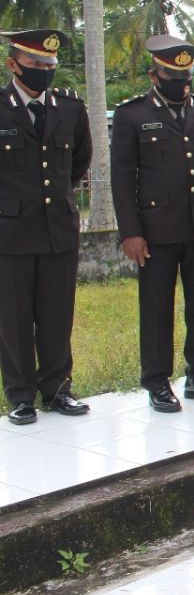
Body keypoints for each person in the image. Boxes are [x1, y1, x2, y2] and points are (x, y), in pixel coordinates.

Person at [110, 34, 194, 413]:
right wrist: (130, 232)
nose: (181, 83)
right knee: (156, 307)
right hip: (155, 231)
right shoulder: (133, 115)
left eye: (186, 75)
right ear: (154, 75)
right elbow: (122, 177)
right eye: (172, 76)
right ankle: (157, 381)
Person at [1, 29, 92, 425]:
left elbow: (79, 161)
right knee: (14, 316)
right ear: (12, 64)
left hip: (58, 228)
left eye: (49, 66)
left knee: (57, 313)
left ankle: (57, 388)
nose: (43, 72)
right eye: (35, 65)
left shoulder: (70, 108)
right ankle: (20, 395)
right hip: (10, 232)